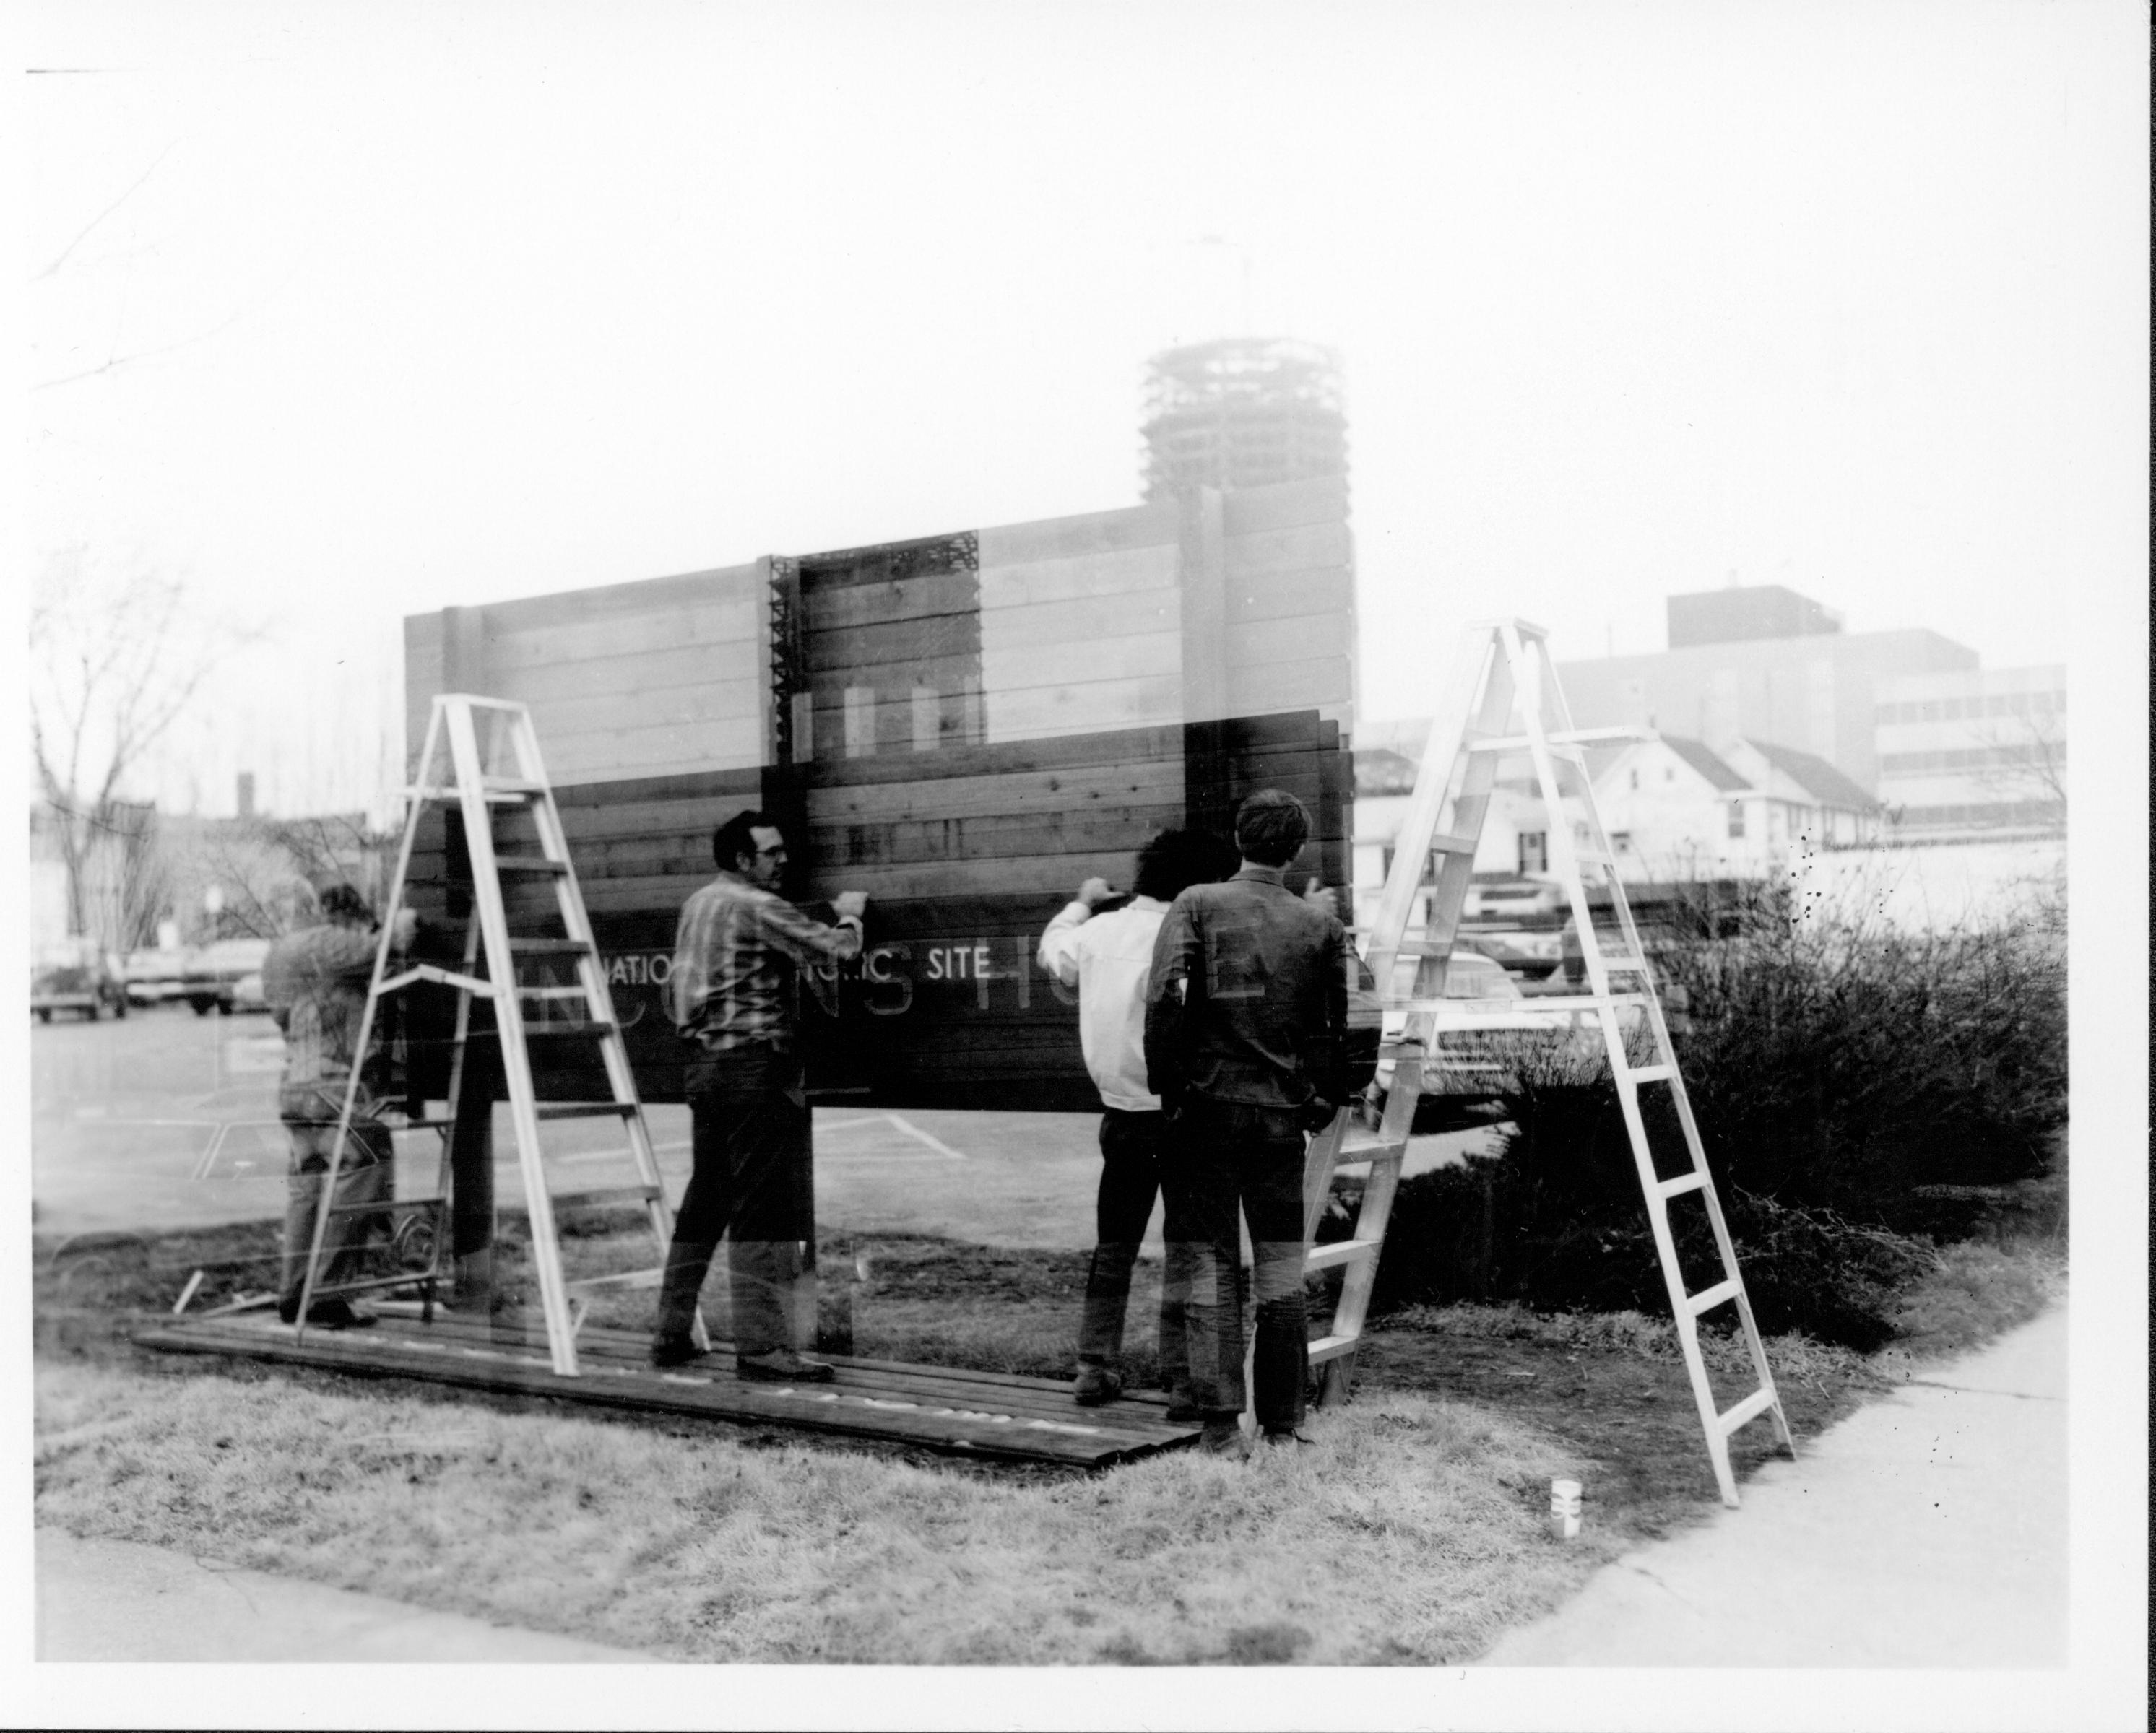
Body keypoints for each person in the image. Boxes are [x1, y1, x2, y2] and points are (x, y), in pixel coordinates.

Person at [1143, 789, 1376, 1455]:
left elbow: (1165, 997)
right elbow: (1361, 1015)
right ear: (1295, 849)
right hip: (1280, 1121)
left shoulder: (1196, 903)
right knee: (1279, 1271)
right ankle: (1281, 1423)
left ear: (1238, 838)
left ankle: (1220, 1427)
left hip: (1205, 1115)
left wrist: (1172, 1087)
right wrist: (1331, 1094)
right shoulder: (1319, 926)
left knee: (1209, 1267)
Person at [653, 812, 867, 1378]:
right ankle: (762, 1349)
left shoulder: (698, 903)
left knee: (704, 1205)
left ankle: (670, 1331)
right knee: (760, 1211)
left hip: (704, 1069)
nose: (783, 860)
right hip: (752, 1070)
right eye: (770, 853)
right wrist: (851, 916)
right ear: (742, 860)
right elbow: (835, 951)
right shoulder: (756, 905)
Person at [1037, 828, 1237, 1411]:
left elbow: (1054, 947)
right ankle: (1180, 1379)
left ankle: (1094, 1366)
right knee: (1186, 1246)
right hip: (1184, 1115)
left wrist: (1083, 899)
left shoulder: (1099, 932)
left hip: (1121, 1115)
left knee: (1114, 1244)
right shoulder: (1198, 936)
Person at [263, 883, 411, 1329]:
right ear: (344, 917)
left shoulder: (278, 954)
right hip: (333, 1083)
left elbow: (281, 1013)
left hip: (294, 1085)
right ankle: (327, 1295)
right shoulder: (333, 943)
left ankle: (295, 1293)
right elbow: (392, 943)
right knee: (366, 1162)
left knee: (309, 1185)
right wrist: (401, 922)